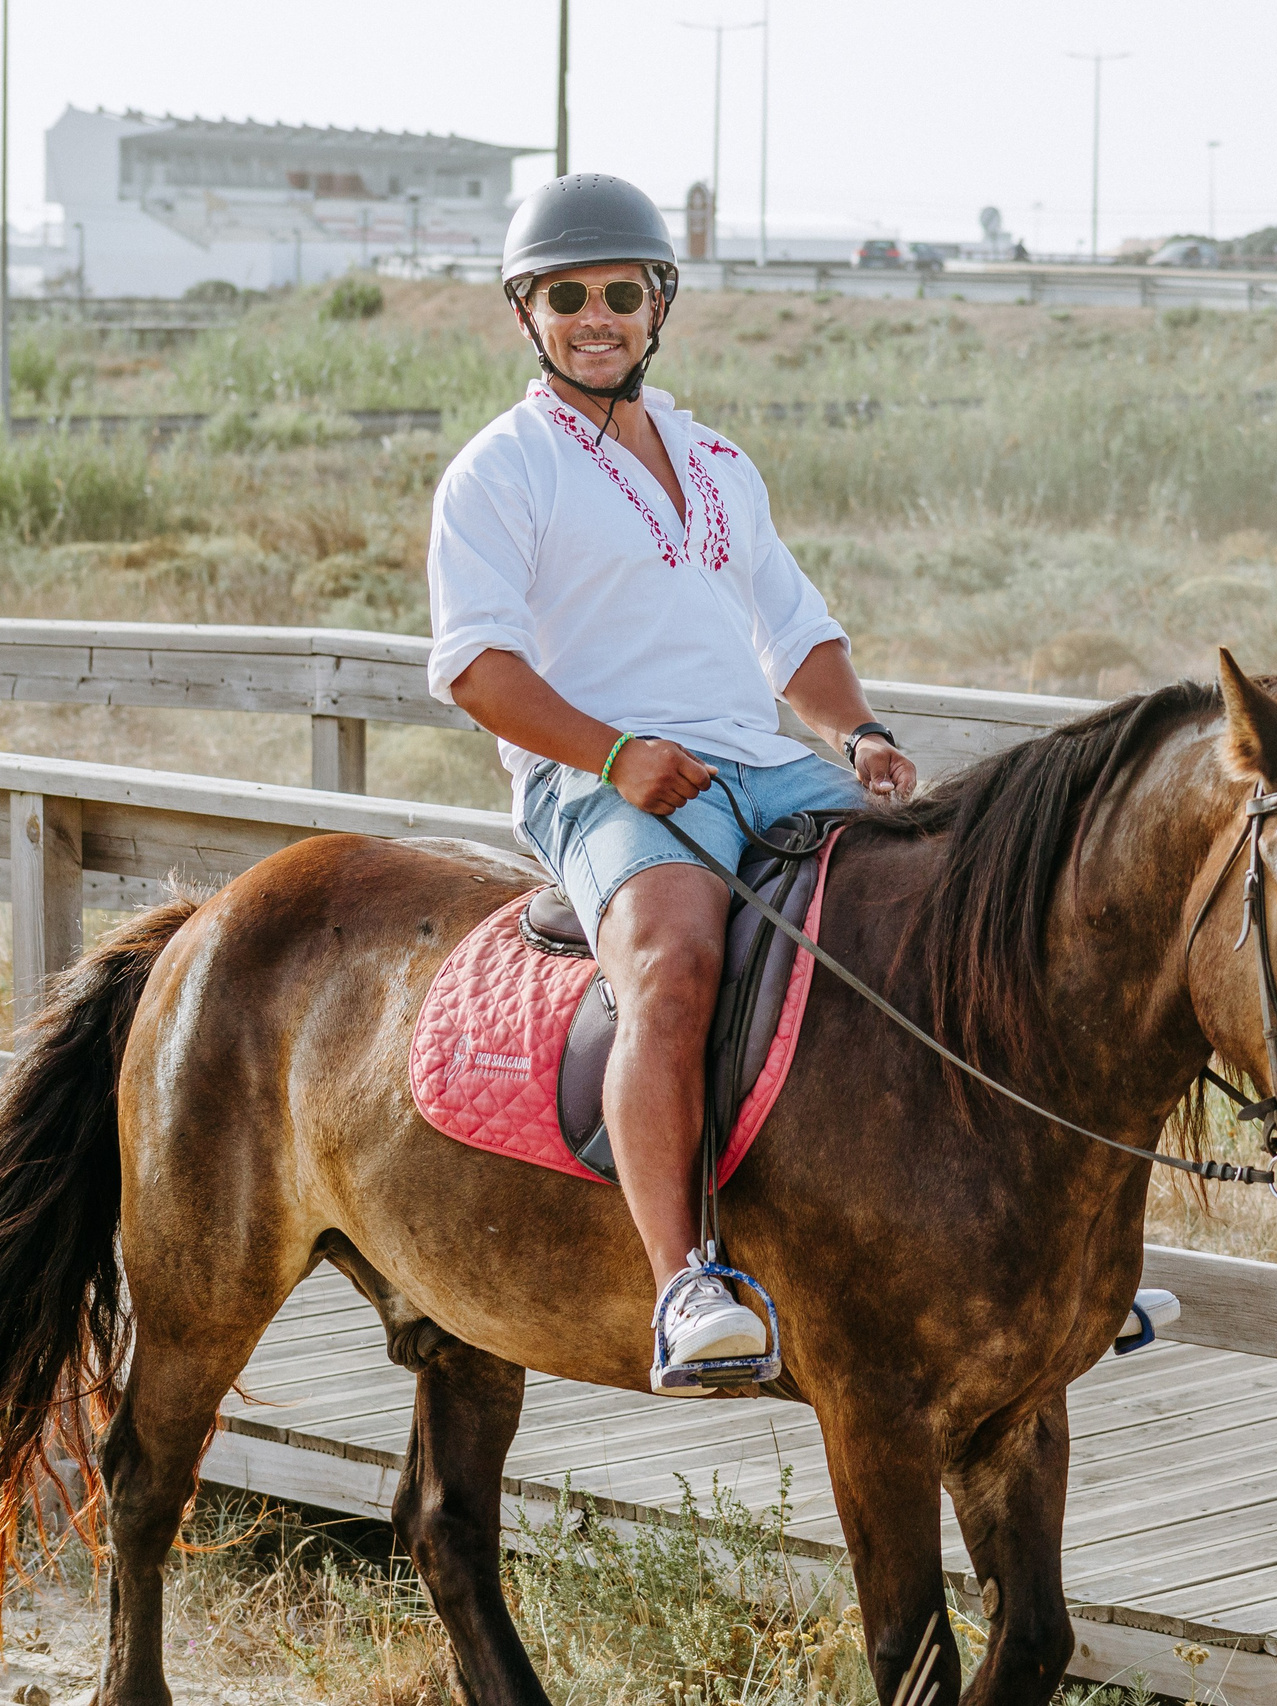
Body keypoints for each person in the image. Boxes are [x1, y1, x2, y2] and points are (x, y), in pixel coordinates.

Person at [425, 175, 917, 1395]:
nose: (599, 315)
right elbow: (476, 668)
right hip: (599, 775)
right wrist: (611, 754)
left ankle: (979, 1242)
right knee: (672, 955)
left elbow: (794, 634)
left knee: (932, 912)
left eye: (622, 293)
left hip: (759, 758)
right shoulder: (498, 473)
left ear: (660, 305)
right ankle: (686, 1280)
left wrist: (855, 736)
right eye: (568, 295)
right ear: (527, 313)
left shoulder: (715, 458)